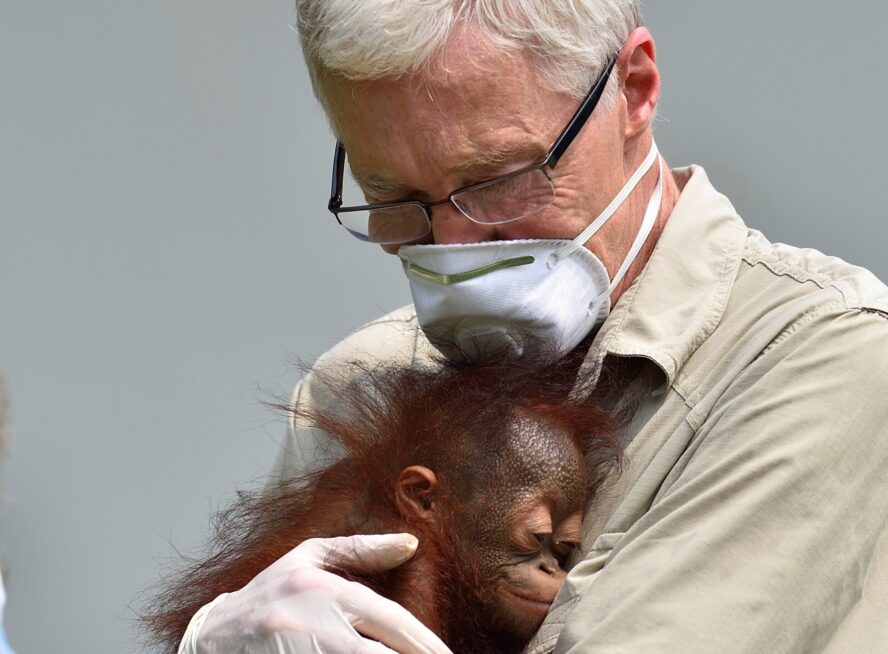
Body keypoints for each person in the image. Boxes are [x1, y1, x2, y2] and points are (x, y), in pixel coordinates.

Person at [180, 1, 888, 652]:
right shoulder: (357, 383)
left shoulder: (820, 358)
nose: (453, 250)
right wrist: (211, 636)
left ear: (634, 88)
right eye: (392, 197)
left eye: (495, 182)